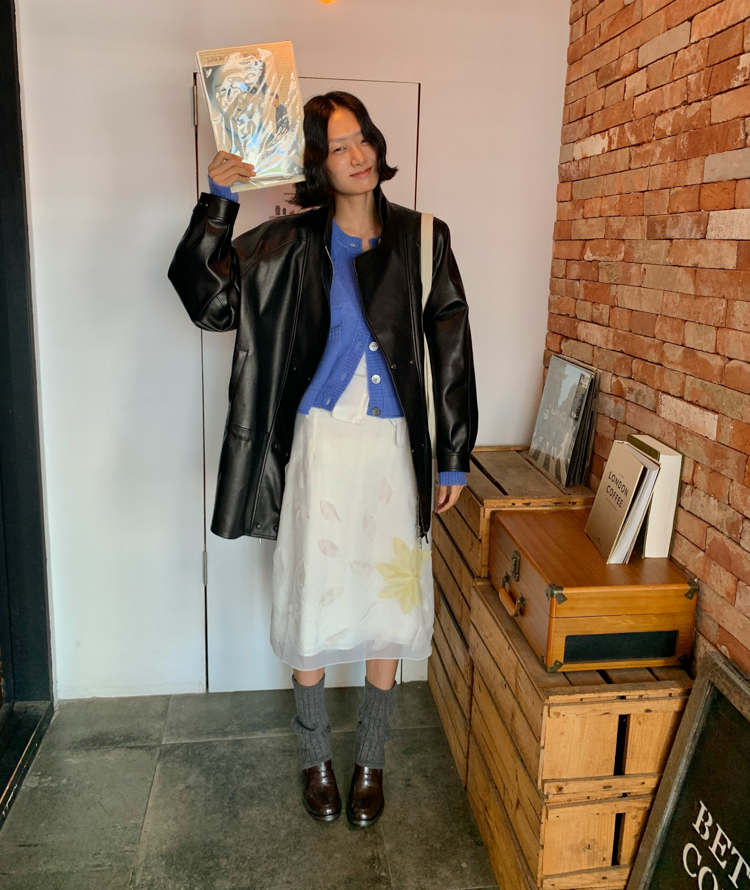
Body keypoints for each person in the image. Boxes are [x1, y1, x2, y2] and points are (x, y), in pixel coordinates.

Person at [168, 91, 477, 828]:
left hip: (395, 450)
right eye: (338, 146)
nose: (357, 154)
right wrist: (218, 203)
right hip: (320, 449)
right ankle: (316, 755)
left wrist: (453, 455)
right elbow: (209, 302)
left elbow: (451, 346)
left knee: (387, 601)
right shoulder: (287, 243)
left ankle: (371, 757)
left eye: (361, 136)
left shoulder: (424, 237)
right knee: (312, 594)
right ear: (317, 163)